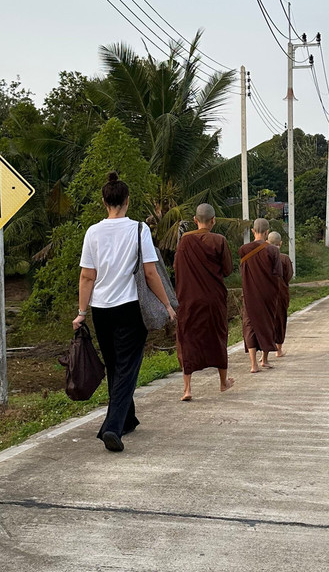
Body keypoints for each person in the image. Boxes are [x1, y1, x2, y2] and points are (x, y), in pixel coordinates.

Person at [73, 172, 175, 452]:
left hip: (101, 309)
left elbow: (86, 276)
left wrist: (82, 312)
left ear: (104, 201)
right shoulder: (139, 229)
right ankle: (113, 427)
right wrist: (167, 304)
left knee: (116, 366)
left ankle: (127, 419)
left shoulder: (93, 232)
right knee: (128, 368)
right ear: (127, 201)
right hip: (130, 308)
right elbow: (151, 272)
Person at [174, 203, 235, 401]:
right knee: (218, 336)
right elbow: (227, 269)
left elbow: (177, 268)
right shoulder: (219, 240)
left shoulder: (184, 241)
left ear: (195, 220)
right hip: (213, 298)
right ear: (213, 220)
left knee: (187, 338)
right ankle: (223, 383)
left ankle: (187, 389)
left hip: (189, 298)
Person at [239, 217, 283, 373]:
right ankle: (264, 360)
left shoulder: (244, 249)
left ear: (253, 231)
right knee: (267, 324)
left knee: (249, 325)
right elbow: (278, 273)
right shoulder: (273, 250)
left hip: (250, 294)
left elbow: (242, 272)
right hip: (268, 295)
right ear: (267, 232)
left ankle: (253, 365)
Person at [266, 231, 293, 358]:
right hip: (281, 292)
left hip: (266, 293)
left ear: (267, 242)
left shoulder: (263, 256)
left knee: (267, 320)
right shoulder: (284, 258)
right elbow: (288, 276)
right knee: (281, 319)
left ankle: (264, 352)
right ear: (280, 243)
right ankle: (279, 349)